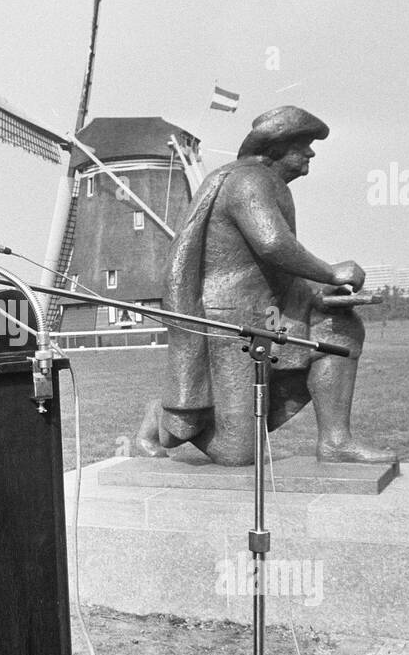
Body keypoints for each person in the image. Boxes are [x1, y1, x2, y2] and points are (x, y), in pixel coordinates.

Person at [137, 105, 394, 465]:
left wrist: (318, 292)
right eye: (302, 144)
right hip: (230, 320)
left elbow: (273, 262)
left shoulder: (271, 184)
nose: (311, 152)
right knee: (238, 453)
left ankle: (336, 441)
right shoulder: (248, 180)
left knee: (340, 328)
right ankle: (164, 417)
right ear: (276, 149)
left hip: (272, 309)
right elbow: (272, 243)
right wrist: (331, 273)